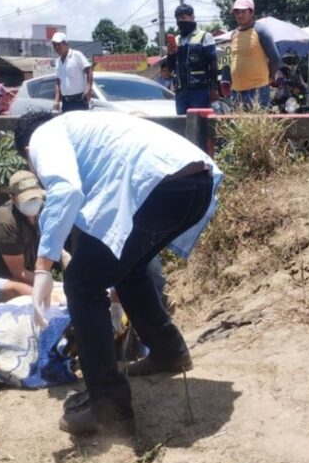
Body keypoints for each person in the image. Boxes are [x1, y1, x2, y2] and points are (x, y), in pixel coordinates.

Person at [13, 111, 222, 437]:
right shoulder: (83, 126)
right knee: (129, 269)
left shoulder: (43, 136)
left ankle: (108, 409)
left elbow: (66, 190)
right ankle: (168, 352)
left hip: (159, 189)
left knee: (80, 284)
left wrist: (42, 266)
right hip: (195, 187)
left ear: (27, 152)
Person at [0, 170, 51, 284]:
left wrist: (63, 256)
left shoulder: (43, 209)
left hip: (23, 271)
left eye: (35, 198)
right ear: (13, 199)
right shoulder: (6, 221)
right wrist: (51, 284)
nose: (33, 202)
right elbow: (19, 273)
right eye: (27, 200)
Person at [226, 0, 280, 108]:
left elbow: (275, 58)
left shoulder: (261, 30)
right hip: (236, 91)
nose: (239, 15)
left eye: (243, 11)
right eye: (237, 12)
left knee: (258, 119)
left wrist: (269, 77)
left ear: (251, 12)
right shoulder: (234, 34)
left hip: (258, 90)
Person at [164, 3, 218, 114]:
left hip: (199, 91)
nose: (180, 21)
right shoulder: (176, 40)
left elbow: (213, 64)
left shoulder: (205, 36)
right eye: (178, 19)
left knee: (200, 121)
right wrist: (170, 54)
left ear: (192, 17)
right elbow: (170, 68)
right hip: (181, 92)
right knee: (182, 123)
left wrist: (214, 88)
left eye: (183, 18)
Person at [50, 32, 93, 113]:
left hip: (79, 100)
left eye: (58, 44)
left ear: (66, 44)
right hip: (66, 103)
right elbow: (58, 82)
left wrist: (88, 89)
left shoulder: (76, 55)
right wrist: (57, 99)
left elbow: (89, 70)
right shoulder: (58, 62)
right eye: (54, 45)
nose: (56, 47)